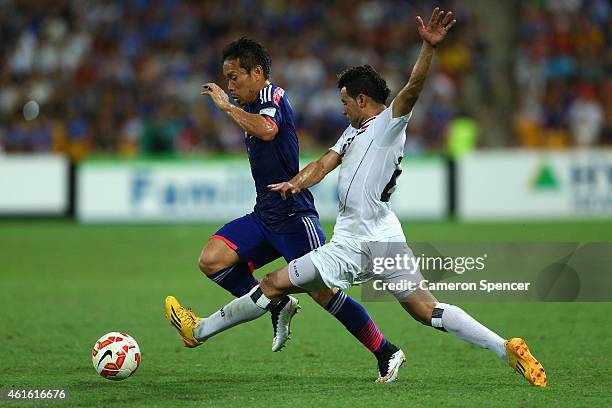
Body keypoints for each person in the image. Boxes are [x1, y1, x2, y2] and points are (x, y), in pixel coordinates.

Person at [165, 9, 548, 386]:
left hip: (353, 244)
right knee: (425, 309)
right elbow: (324, 163)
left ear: (362, 100)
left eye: (345, 101)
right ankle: (504, 348)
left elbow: (413, 88)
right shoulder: (354, 134)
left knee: (271, 286)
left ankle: (198, 332)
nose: (342, 107)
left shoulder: (387, 124)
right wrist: (296, 182)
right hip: (386, 236)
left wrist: (428, 48)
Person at [165, 37, 402, 378]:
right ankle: (278, 303)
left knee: (324, 294)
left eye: (234, 77)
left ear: (257, 72)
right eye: (227, 80)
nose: (230, 86)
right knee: (212, 258)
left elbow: (268, 130)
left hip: (294, 215)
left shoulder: (272, 96)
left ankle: (385, 351)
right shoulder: (250, 105)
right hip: (264, 214)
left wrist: (226, 107)